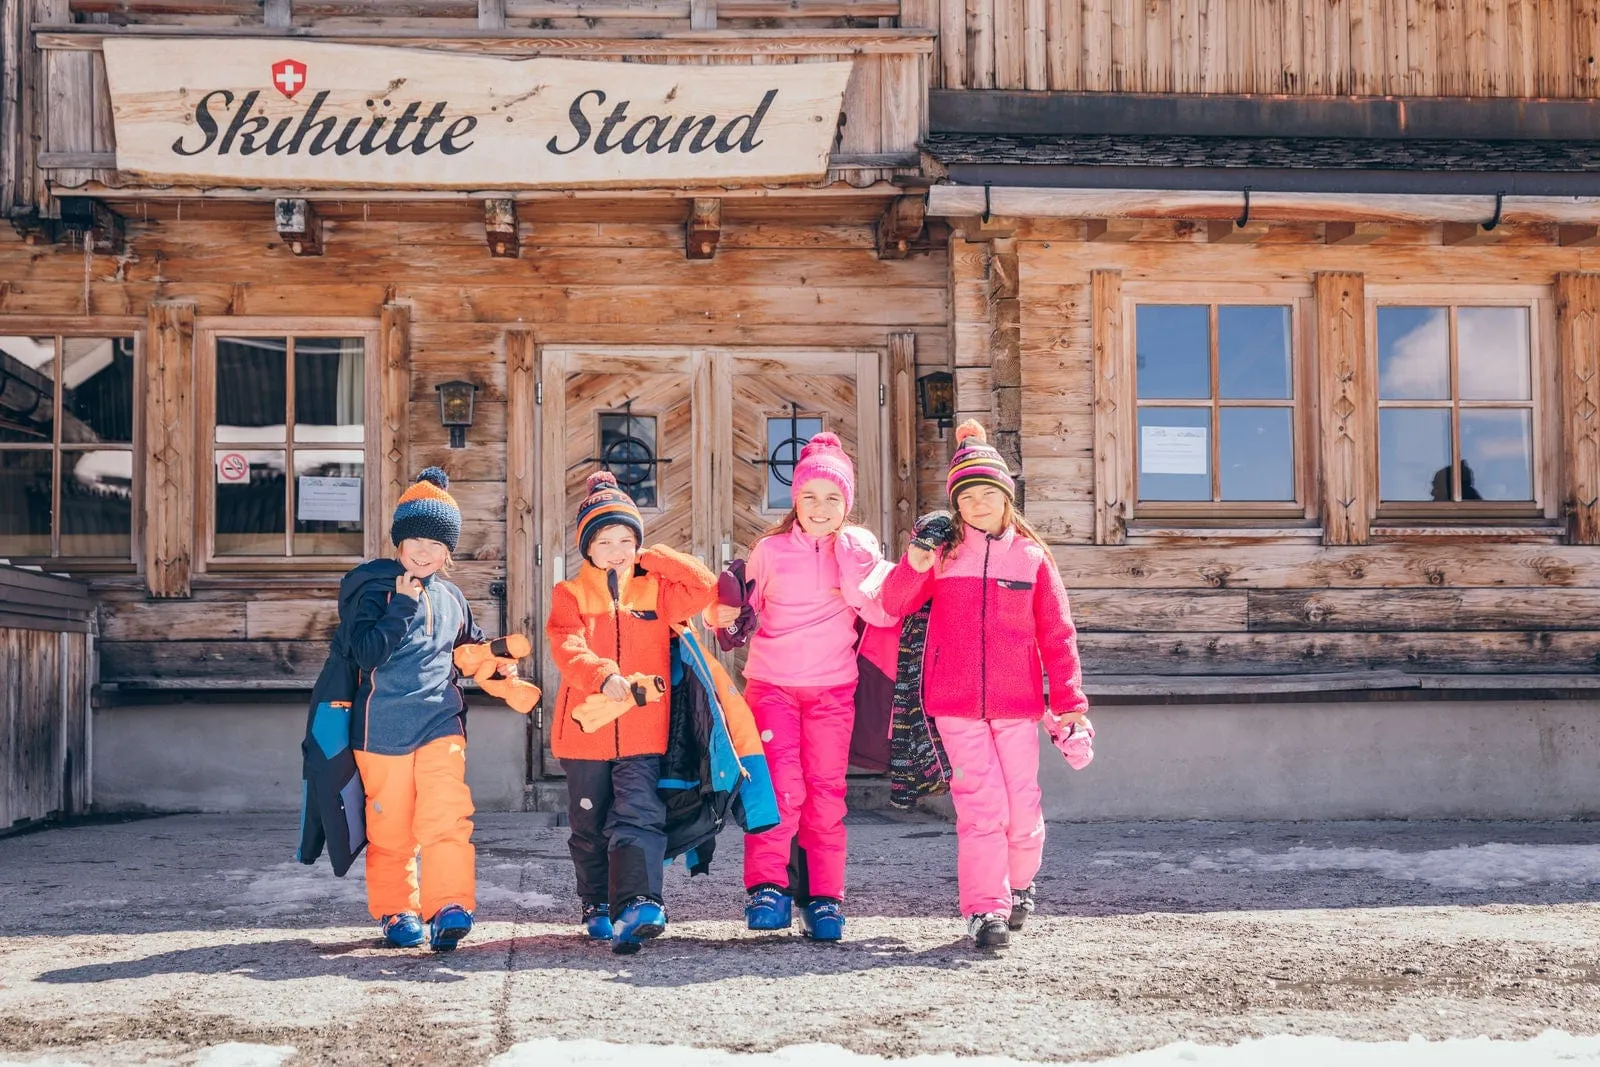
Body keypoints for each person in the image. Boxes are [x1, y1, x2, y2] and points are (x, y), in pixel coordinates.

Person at [880, 421, 1089, 950]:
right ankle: (985, 910)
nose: (977, 504)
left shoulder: (1032, 558)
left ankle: (1019, 886)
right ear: (955, 505)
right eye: (966, 496)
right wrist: (915, 562)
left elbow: (1057, 634)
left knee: (1023, 807)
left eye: (986, 495)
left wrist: (1068, 705)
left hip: (1018, 705)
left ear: (1006, 500)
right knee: (981, 806)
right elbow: (893, 603)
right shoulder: (944, 553)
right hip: (953, 704)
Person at [705, 432, 896, 941]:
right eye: (810, 496)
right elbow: (741, 614)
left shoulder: (856, 551)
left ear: (847, 505)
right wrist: (721, 615)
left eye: (833, 499)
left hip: (834, 692)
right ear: (795, 499)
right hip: (773, 689)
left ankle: (826, 898)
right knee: (780, 791)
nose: (820, 507)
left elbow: (881, 604)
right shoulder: (770, 552)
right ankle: (768, 888)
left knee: (827, 797)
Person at [546, 470, 718, 954]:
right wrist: (603, 674)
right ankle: (596, 903)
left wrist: (656, 556)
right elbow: (565, 644)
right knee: (589, 825)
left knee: (640, 813)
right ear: (587, 547)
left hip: (644, 730)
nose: (617, 550)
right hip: (586, 733)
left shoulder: (656, 592)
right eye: (605, 540)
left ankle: (639, 903)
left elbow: (705, 588)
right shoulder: (571, 593)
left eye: (627, 539)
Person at [339, 467, 485, 951]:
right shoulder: (373, 590)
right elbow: (364, 653)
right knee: (391, 828)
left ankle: (449, 906)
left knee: (447, 817)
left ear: (449, 553)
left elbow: (470, 648)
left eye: (436, 543)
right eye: (415, 540)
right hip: (381, 728)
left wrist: (498, 662)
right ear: (399, 543)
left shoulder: (454, 598)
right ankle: (398, 909)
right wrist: (401, 605)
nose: (424, 551)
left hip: (441, 722)